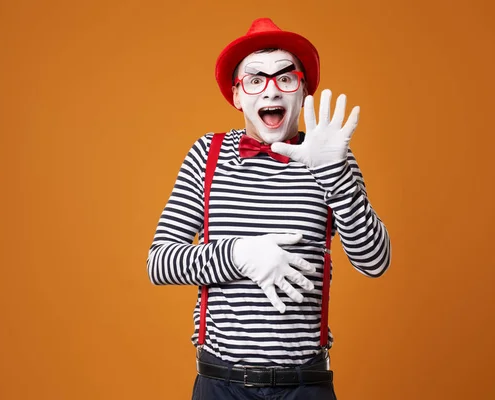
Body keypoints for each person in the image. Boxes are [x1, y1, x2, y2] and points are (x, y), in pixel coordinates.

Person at [147, 17, 391, 399]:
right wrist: (239, 254)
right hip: (220, 384)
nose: (271, 91)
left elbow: (374, 262)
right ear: (238, 95)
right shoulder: (205, 157)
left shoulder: (331, 159)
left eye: (285, 78)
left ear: (304, 90)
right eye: (255, 80)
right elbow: (159, 263)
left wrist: (335, 175)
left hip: (305, 385)